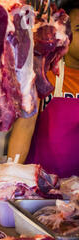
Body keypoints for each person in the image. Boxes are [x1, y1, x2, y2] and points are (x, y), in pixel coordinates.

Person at [7, 2, 79, 178]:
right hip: (39, 189)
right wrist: (10, 177)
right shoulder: (43, 73)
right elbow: (24, 127)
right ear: (64, 34)